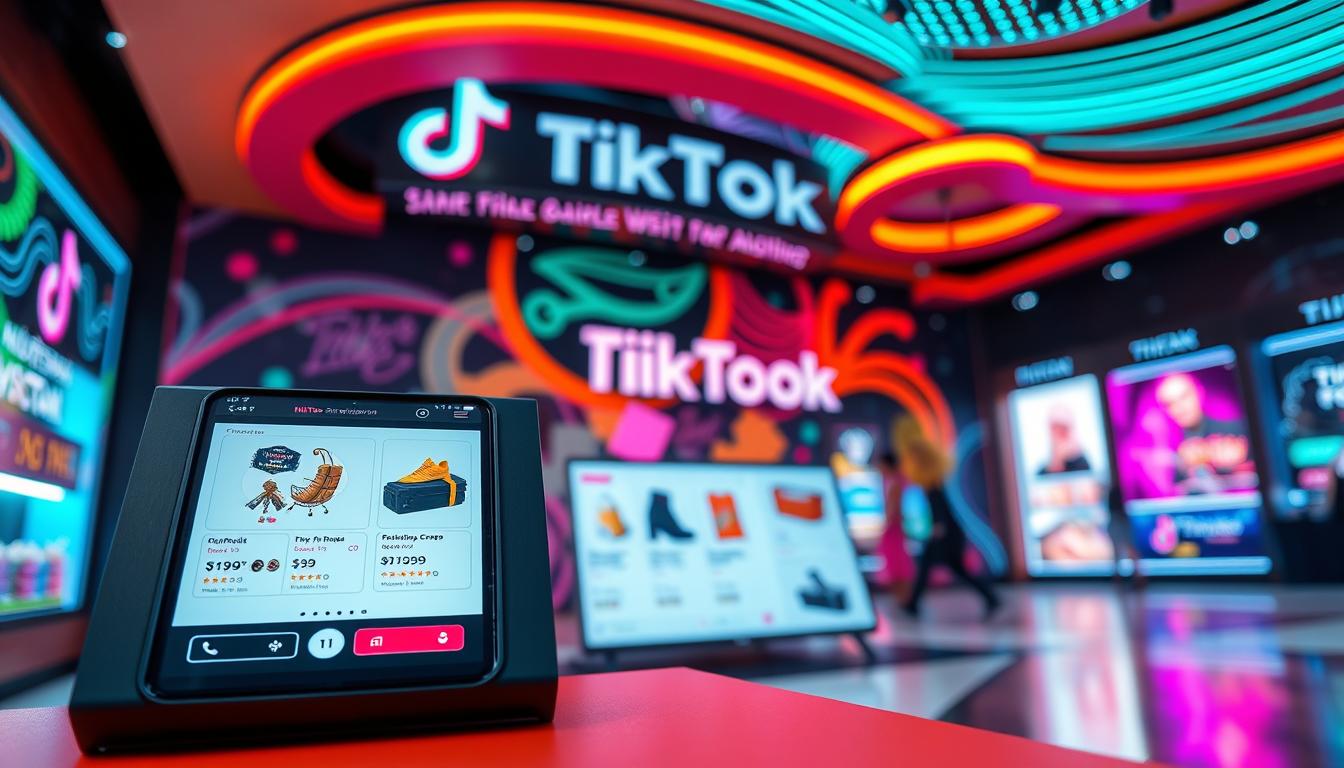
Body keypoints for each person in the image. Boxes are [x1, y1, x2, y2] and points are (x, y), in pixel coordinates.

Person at [895, 418, 1001, 620]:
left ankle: (912, 604)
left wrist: (936, 530)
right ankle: (990, 597)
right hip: (947, 534)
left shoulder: (932, 486)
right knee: (952, 569)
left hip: (944, 535)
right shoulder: (933, 483)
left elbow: (940, 513)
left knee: (932, 567)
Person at [876, 451, 914, 600]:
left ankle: (903, 598)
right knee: (897, 565)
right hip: (896, 528)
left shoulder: (894, 483)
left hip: (893, 529)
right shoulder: (895, 481)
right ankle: (902, 598)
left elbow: (893, 509)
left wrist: (886, 525)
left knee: (897, 566)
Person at [1105, 485, 1145, 587]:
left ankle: (1133, 577)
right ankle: (1127, 578)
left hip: (1119, 521)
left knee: (1126, 550)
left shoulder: (1118, 491)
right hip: (1118, 521)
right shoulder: (1116, 492)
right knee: (1124, 551)